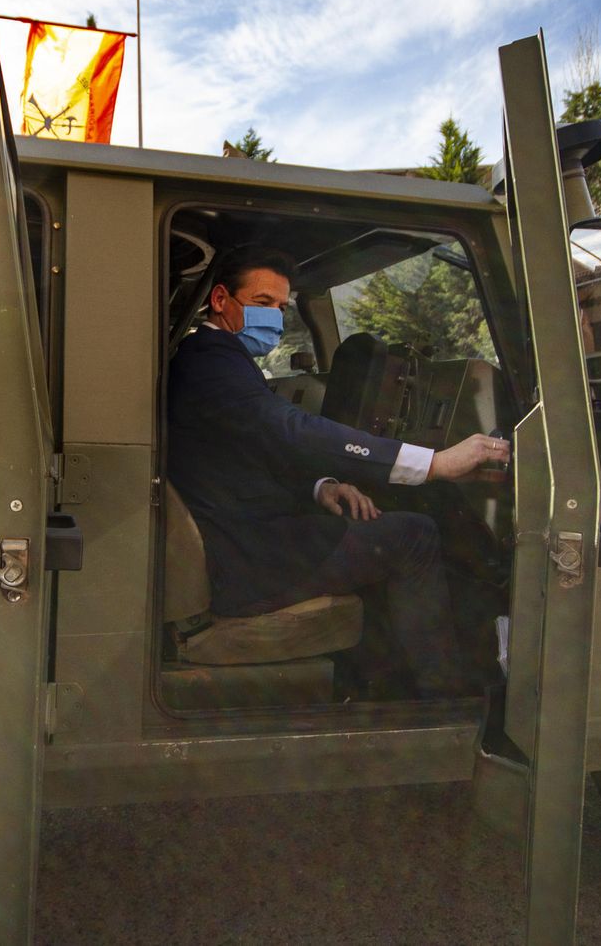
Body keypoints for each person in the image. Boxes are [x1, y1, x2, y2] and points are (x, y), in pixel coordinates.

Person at [166, 244, 508, 698]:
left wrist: (321, 487)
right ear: (220, 299)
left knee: (372, 521)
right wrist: (434, 463)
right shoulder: (210, 360)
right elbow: (290, 429)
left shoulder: (213, 357)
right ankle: (441, 697)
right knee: (415, 536)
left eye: (281, 307)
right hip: (245, 558)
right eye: (262, 302)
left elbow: (247, 453)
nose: (274, 316)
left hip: (237, 534)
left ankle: (377, 677)